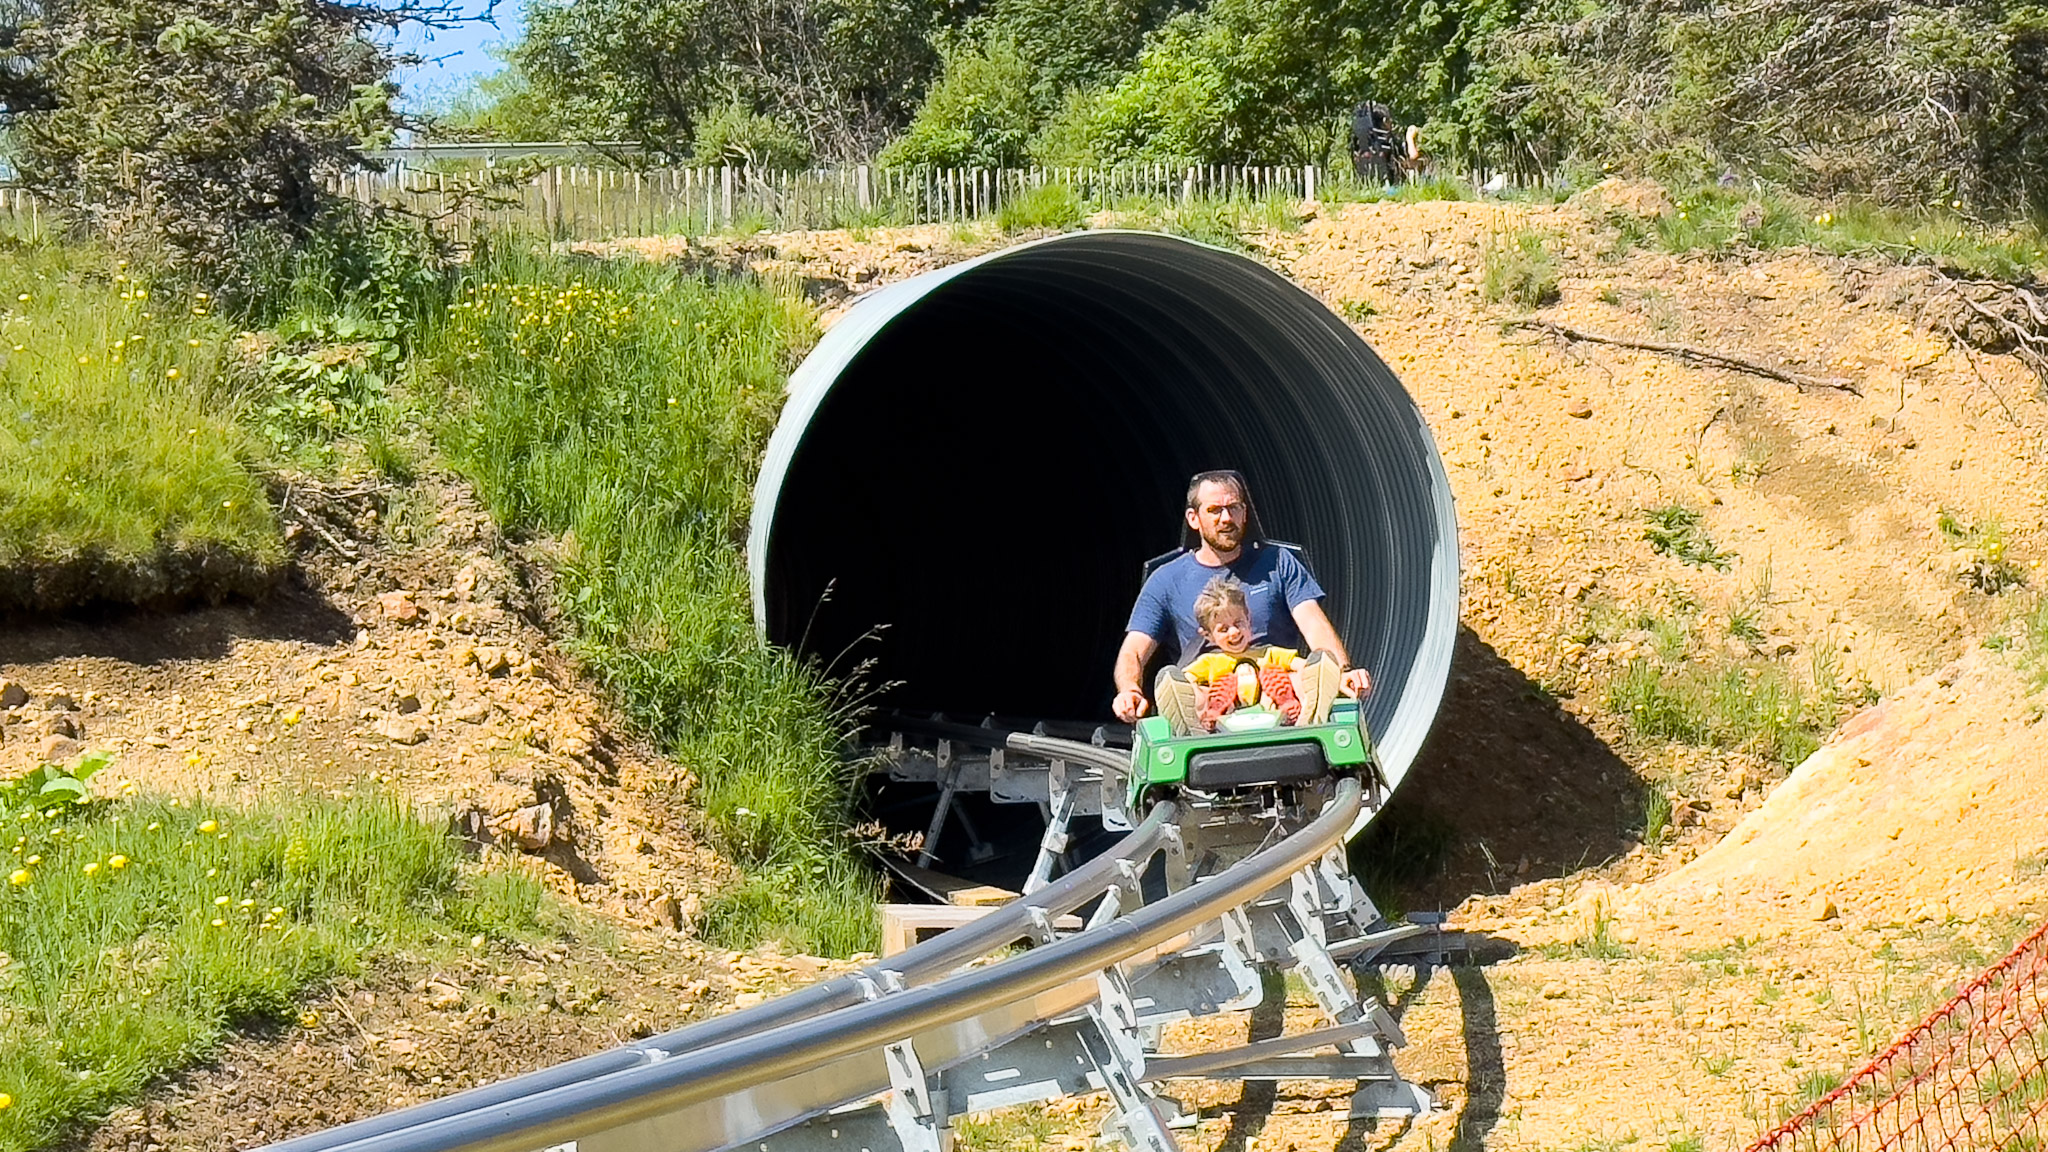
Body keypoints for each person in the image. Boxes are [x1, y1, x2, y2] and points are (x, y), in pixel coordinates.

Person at [1111, 470, 1372, 724]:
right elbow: (1133, 650)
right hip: (1213, 687)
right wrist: (1130, 690)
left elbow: (1314, 624)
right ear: (1194, 518)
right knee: (1188, 690)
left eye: (1233, 508)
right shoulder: (1166, 580)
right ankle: (1197, 721)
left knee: (1308, 674)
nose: (1226, 518)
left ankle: (1307, 717)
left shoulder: (1277, 563)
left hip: (1277, 681)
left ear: (1244, 514)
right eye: (1215, 510)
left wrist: (1344, 672)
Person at [1153, 574, 1348, 735]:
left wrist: (1317, 672)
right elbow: (1185, 678)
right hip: (1225, 717)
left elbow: (1301, 665)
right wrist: (1197, 691)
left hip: (1272, 712)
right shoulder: (1210, 662)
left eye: (1238, 623)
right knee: (1192, 690)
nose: (1234, 632)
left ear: (1248, 619)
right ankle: (1195, 723)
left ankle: (1308, 713)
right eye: (1223, 629)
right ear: (1208, 636)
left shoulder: (1268, 653)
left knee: (1296, 676)